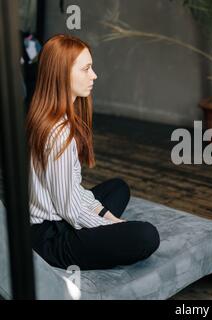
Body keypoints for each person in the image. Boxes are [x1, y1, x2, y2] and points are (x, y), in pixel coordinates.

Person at [27, 34, 160, 270]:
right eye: (86, 69)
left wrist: (106, 214)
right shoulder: (58, 134)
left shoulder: (55, 117)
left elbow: (73, 192)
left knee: (118, 188)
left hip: (59, 215)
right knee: (146, 236)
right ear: (62, 74)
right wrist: (113, 226)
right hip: (49, 238)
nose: (94, 75)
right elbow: (70, 209)